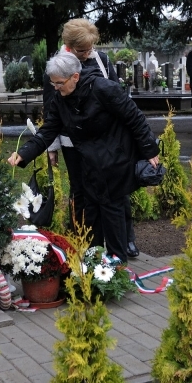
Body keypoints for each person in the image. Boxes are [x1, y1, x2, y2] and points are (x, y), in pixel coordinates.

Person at [10, 52, 160, 262]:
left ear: (75, 77)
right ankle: (94, 261)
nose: (56, 88)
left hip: (115, 159)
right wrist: (24, 153)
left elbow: (135, 117)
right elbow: (48, 131)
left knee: (112, 211)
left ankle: (117, 262)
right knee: (90, 213)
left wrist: (150, 149)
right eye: (53, 83)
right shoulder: (60, 100)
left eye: (59, 83)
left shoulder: (104, 88)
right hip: (88, 163)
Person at [40, 19, 142, 258]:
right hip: (73, 142)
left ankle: (126, 239)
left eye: (90, 48)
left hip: (106, 141)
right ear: (69, 46)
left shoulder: (101, 60)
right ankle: (85, 241)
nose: (88, 54)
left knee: (116, 188)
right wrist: (51, 147)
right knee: (80, 192)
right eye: (82, 50)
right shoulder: (57, 66)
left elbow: (117, 97)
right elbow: (50, 108)